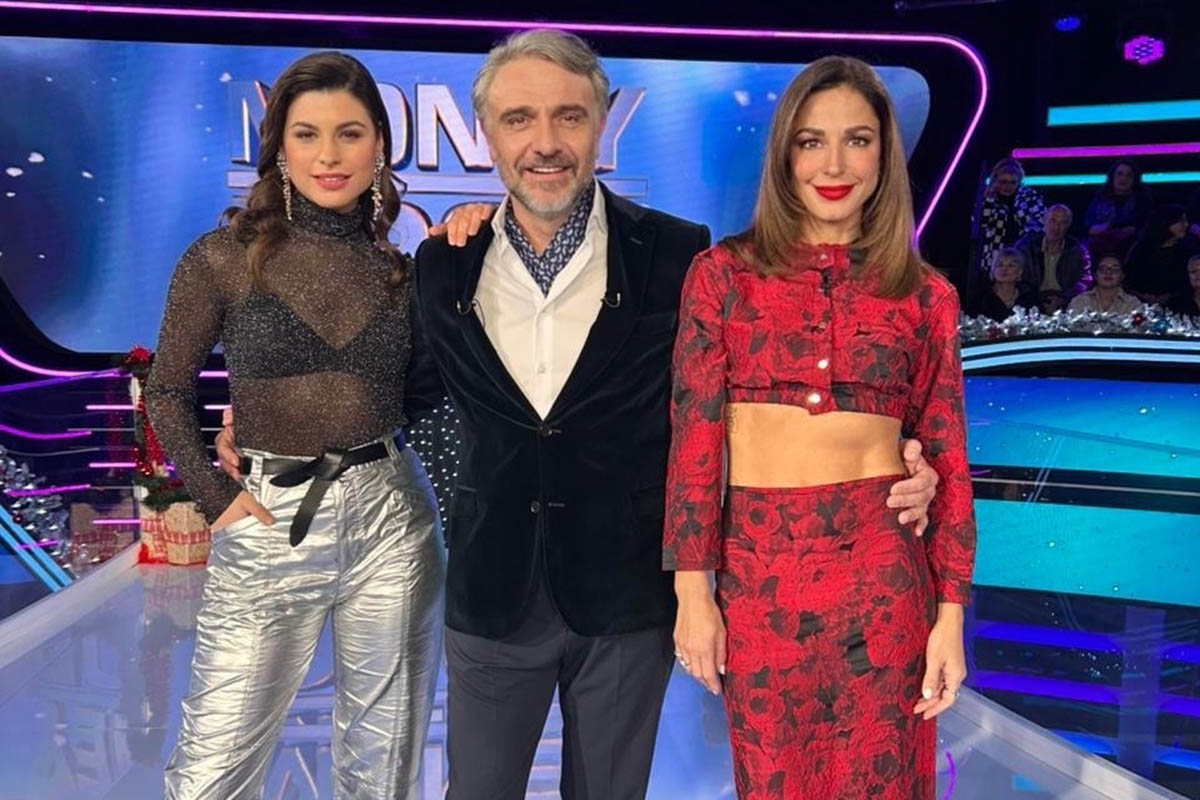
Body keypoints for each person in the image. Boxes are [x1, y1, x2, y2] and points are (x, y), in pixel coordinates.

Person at [218, 30, 941, 800]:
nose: (545, 142)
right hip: (493, 590)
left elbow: (746, 398)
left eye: (568, 116)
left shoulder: (679, 254)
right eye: (518, 119)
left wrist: (893, 460)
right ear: (486, 135)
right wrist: (278, 419)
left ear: (602, 125)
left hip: (627, 596)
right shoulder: (443, 262)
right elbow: (403, 394)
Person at [666, 56, 975, 799]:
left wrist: (950, 619)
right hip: (760, 579)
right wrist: (692, 594)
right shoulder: (722, 275)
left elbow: (947, 456)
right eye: (812, 141)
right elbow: (694, 442)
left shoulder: (926, 295)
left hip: (883, 578)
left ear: (884, 155)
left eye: (857, 140)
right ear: (785, 154)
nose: (834, 165)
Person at [146, 51, 445, 799]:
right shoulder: (221, 259)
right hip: (269, 517)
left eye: (350, 133)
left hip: (393, 522)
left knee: (384, 773)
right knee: (210, 776)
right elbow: (167, 391)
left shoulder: (403, 272)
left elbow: (421, 402)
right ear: (279, 145)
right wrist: (218, 500)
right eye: (307, 134)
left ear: (380, 145)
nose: (329, 156)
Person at [977, 157, 1045, 274]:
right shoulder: (988, 200)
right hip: (995, 258)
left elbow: (1041, 223)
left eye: (1012, 182)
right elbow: (981, 223)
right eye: (1003, 182)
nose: (1007, 186)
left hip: (1023, 256)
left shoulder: (1030, 197)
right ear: (995, 181)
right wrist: (988, 201)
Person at [1015, 203, 1091, 303]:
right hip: (1032, 300)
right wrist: (1037, 299)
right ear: (1044, 221)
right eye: (1052, 220)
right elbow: (1018, 278)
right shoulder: (1026, 247)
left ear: (1068, 225)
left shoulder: (1077, 249)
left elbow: (1086, 280)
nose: (1056, 227)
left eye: (1062, 222)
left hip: (1067, 302)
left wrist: (1064, 298)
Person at [1124, 204, 1198, 307]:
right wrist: (1143, 296)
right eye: (1181, 221)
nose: (1186, 225)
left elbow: (1190, 281)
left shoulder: (1188, 250)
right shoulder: (1141, 249)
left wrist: (1170, 296)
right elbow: (1128, 279)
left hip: (1180, 304)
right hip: (1140, 304)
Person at [1083, 159, 1153, 259]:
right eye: (1119, 174)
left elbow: (1138, 227)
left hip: (1132, 252)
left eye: (1129, 175)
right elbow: (1090, 228)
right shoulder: (1099, 198)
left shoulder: (1142, 201)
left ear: (1134, 180)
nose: (1123, 178)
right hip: (1099, 250)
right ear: (1112, 176)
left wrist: (1108, 226)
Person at [969, 247, 1037, 322]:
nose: (1004, 269)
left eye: (1011, 265)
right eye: (1000, 265)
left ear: (1019, 272)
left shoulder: (1029, 296)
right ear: (993, 270)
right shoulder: (981, 296)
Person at [1067, 255, 1144, 314]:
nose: (1108, 272)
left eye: (1115, 270)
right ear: (1095, 275)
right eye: (1103, 269)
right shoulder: (1080, 301)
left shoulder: (1132, 303)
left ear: (1122, 276)